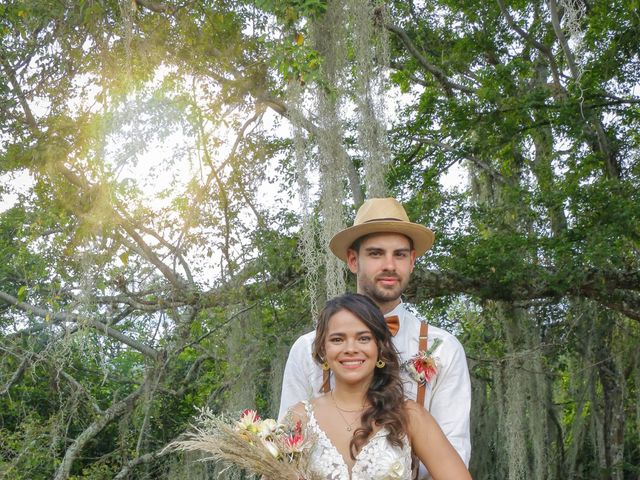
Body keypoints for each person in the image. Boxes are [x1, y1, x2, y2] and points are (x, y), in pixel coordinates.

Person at [279, 197, 471, 474]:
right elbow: (286, 456)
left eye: (400, 254)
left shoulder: (443, 349)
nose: (390, 265)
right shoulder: (307, 348)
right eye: (376, 253)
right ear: (353, 260)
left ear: (412, 261)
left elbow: (456, 451)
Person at [286, 293, 471, 480]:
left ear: (380, 348)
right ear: (323, 349)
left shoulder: (410, 416)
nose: (350, 348)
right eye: (337, 340)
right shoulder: (299, 418)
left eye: (363, 338)